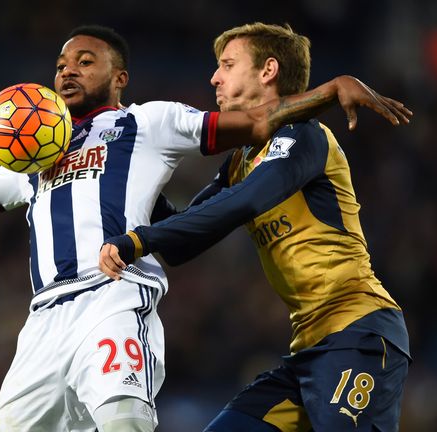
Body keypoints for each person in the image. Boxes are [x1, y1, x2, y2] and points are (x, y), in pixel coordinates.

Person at [0, 24, 410, 432]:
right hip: (43, 321)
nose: (66, 71)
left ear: (119, 78)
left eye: (83, 61)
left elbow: (254, 140)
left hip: (121, 301)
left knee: (122, 421)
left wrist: (329, 91)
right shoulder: (36, 156)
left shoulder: (150, 122)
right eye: (60, 62)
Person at [99, 22, 411, 431]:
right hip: (307, 355)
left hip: (360, 335)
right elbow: (181, 243)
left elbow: (246, 200)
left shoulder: (305, 136)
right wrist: (135, 169)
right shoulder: (243, 158)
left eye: (228, 64)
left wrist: (138, 240)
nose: (215, 77)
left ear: (268, 71)